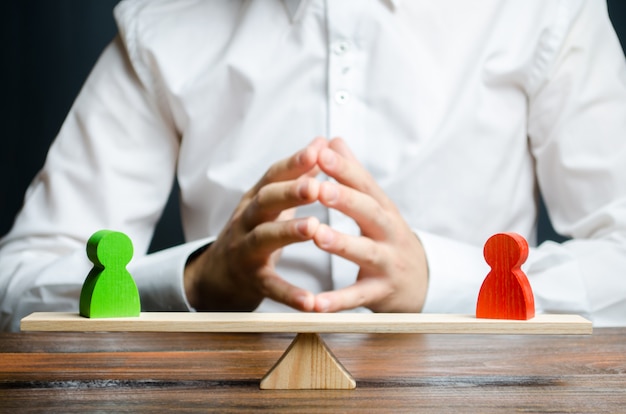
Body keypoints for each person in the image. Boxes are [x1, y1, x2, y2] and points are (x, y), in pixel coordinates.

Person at [1, 0, 625, 332]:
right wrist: (194, 282)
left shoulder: (544, 10)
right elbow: (16, 284)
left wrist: (444, 283)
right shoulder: (160, 23)